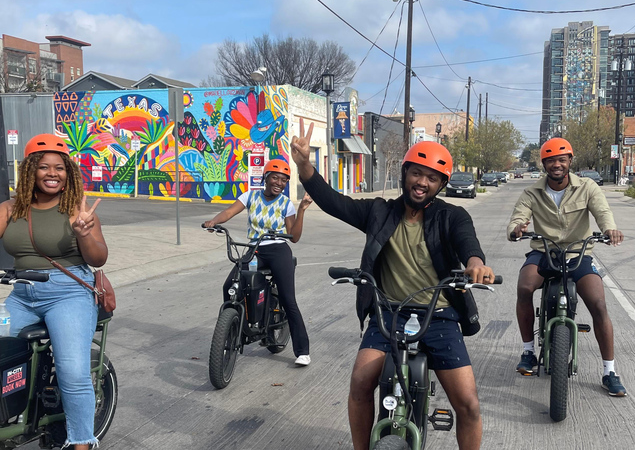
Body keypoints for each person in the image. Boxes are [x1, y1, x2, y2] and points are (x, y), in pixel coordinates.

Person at [291, 120, 495, 450]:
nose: (422, 182)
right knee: (360, 383)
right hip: (389, 315)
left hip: (439, 316)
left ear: (441, 184)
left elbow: (467, 243)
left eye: (432, 178)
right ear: (405, 174)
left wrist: (476, 264)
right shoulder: (378, 212)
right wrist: (305, 167)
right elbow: (334, 202)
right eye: (417, 173)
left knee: (468, 404)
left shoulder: (452, 216)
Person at [0, 134, 108, 450]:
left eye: (59, 168)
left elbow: (98, 258)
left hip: (68, 294)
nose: (52, 173)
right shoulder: (10, 208)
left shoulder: (77, 209)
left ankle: (81, 442)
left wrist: (84, 234)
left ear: (68, 172)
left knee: (73, 373)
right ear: (29, 170)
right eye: (43, 166)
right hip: (22, 294)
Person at [507, 137, 627, 396]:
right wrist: (517, 229)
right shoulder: (532, 192)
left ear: (570, 161)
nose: (557, 165)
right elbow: (519, 216)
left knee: (599, 304)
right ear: (544, 164)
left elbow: (602, 212)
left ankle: (609, 371)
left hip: (577, 255)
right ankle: (528, 352)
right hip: (544, 253)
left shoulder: (587, 187)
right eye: (551, 160)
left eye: (562, 159)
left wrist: (609, 229)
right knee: (524, 288)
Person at [204, 158, 313, 366]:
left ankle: (302, 351)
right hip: (255, 249)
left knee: (288, 299)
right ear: (266, 177)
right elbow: (229, 211)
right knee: (230, 285)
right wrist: (214, 222)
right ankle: (237, 326)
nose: (279, 183)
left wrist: (301, 210)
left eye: (283, 180)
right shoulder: (251, 196)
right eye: (275, 178)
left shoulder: (286, 203)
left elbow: (295, 236)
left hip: (278, 249)